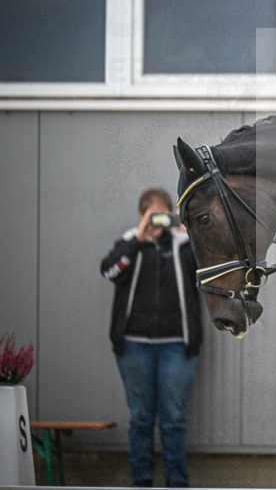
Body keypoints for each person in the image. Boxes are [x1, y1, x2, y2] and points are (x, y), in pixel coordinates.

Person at [101, 187, 203, 487]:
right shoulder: (129, 244)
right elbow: (109, 271)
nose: (158, 224)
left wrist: (192, 232)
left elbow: (208, 272)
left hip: (176, 346)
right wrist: (139, 239)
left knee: (173, 419)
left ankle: (176, 483)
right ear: (141, 216)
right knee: (142, 418)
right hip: (134, 347)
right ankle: (141, 482)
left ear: (171, 215)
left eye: (163, 217)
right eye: (152, 217)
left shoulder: (185, 246)